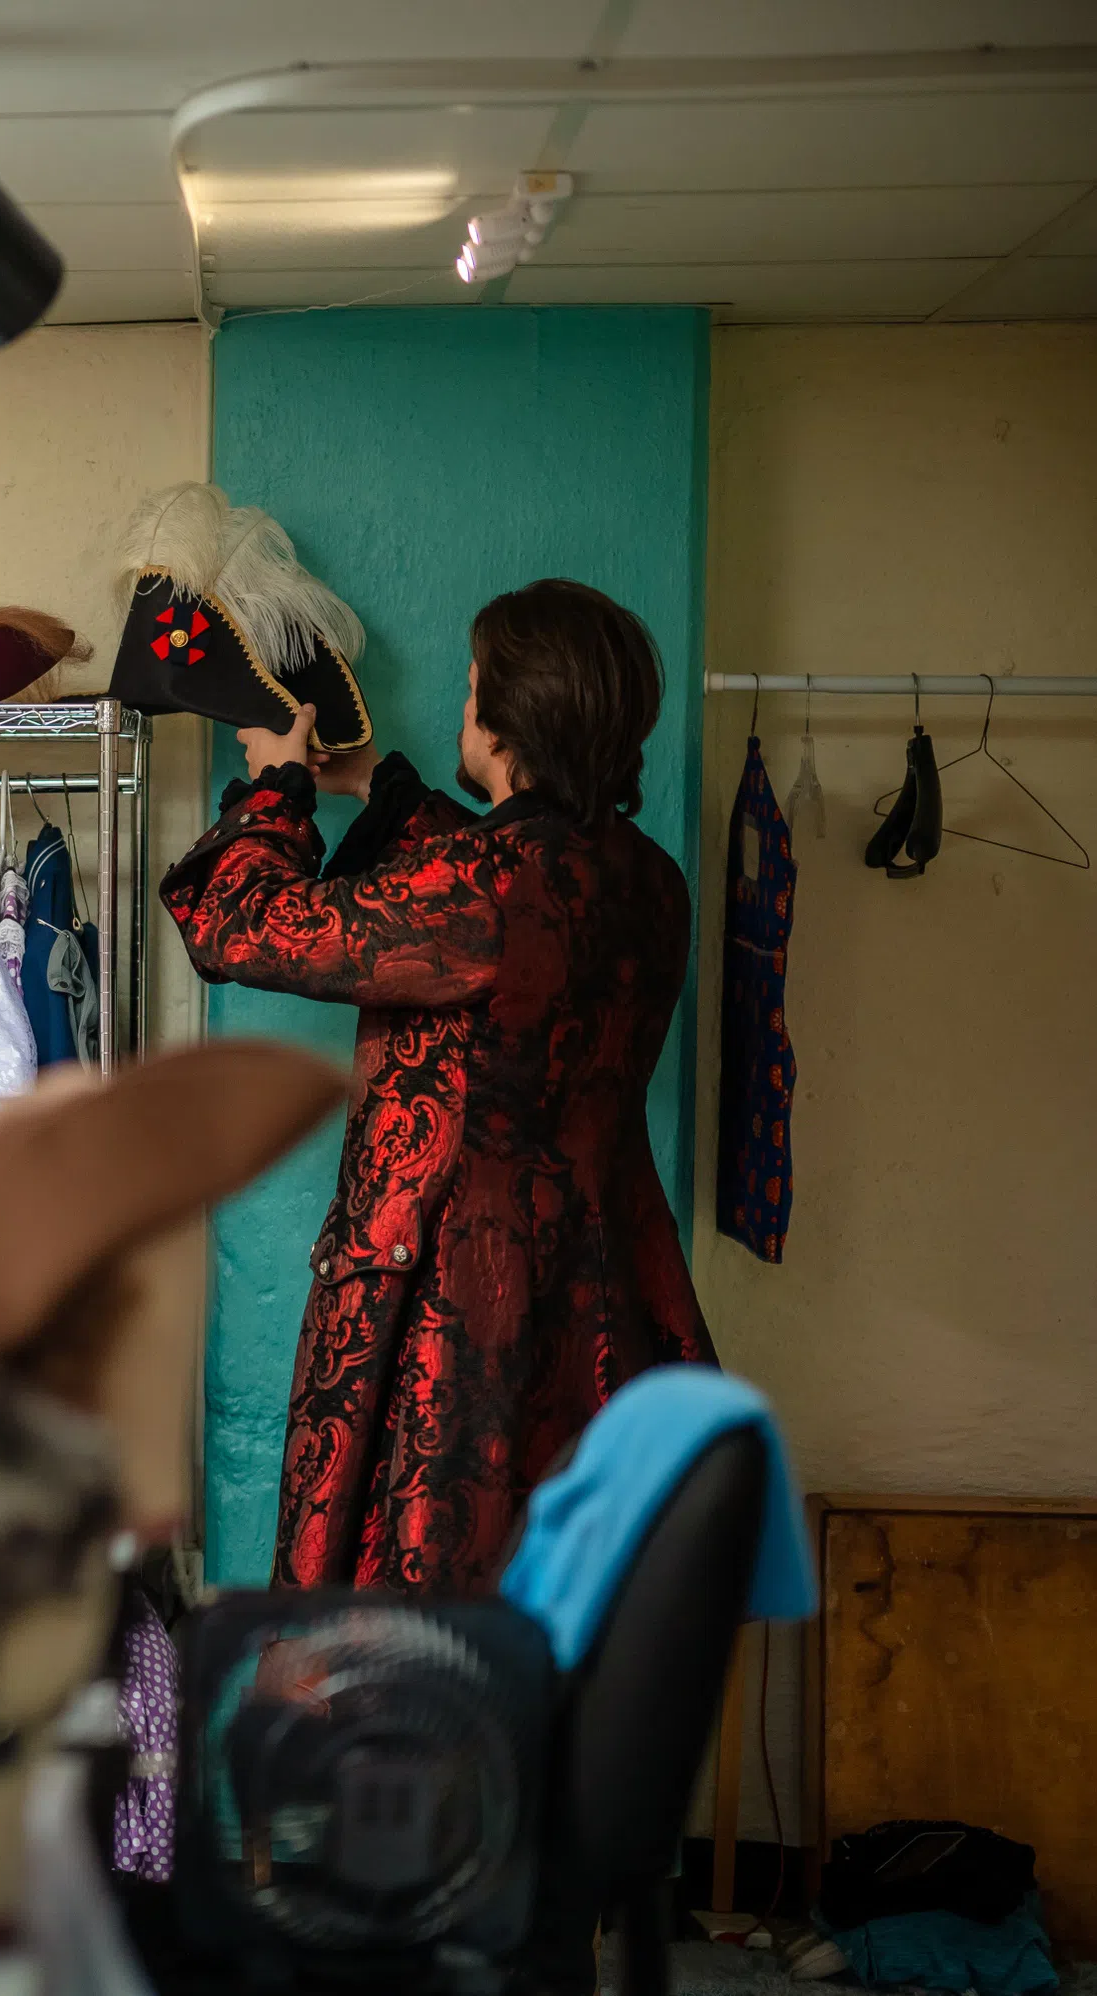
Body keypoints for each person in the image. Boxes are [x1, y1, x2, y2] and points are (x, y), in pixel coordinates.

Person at [159, 578, 711, 1593]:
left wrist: (276, 787)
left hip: (456, 1324)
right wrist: (380, 786)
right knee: (564, 1615)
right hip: (599, 1312)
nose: (462, 710)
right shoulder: (649, 882)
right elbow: (518, 897)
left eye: (469, 692)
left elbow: (238, 923)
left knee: (421, 1629)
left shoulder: (484, 891)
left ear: (505, 722)